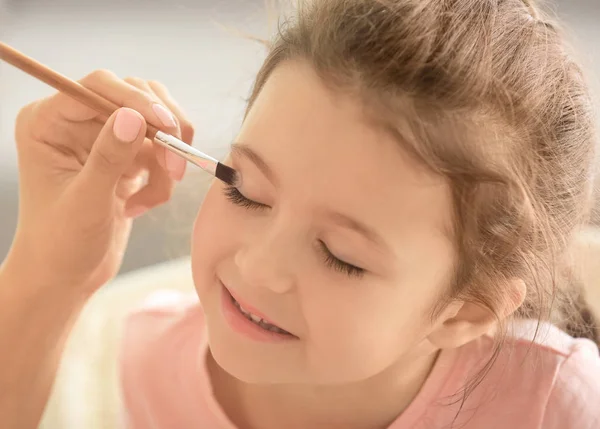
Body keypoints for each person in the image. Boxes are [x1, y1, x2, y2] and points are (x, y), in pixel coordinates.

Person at [1, 0, 600, 428]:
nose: (258, 269)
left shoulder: (556, 404)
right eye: (245, 191)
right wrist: (47, 271)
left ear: (466, 310)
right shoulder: (118, 372)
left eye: (341, 257)